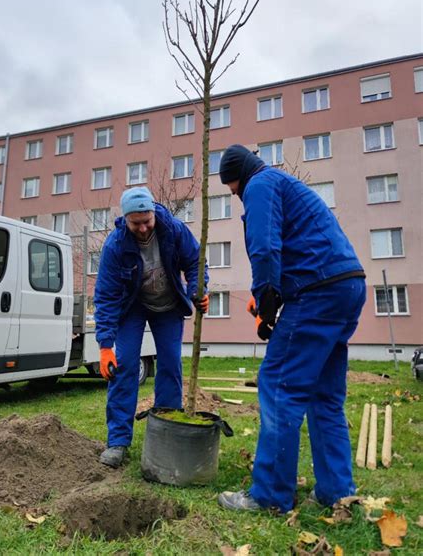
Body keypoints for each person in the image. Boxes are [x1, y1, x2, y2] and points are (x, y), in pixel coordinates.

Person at [217, 144, 366, 513]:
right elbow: (293, 245)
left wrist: (266, 297)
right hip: (346, 286)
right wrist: (267, 298)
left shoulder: (260, 183)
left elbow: (265, 247)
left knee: (279, 385)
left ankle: (269, 496)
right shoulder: (285, 182)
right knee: (324, 396)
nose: (236, 196)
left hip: (318, 291)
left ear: (238, 177)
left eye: (232, 189)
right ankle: (336, 493)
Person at [94, 187, 208, 468]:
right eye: (136, 223)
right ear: (126, 220)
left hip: (168, 305)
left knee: (170, 364)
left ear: (154, 214)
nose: (143, 228)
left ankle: (167, 430)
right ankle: (118, 441)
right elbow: (106, 296)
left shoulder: (174, 230)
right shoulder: (115, 245)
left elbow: (195, 261)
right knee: (126, 365)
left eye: (147, 221)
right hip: (132, 307)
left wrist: (197, 289)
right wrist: (106, 345)